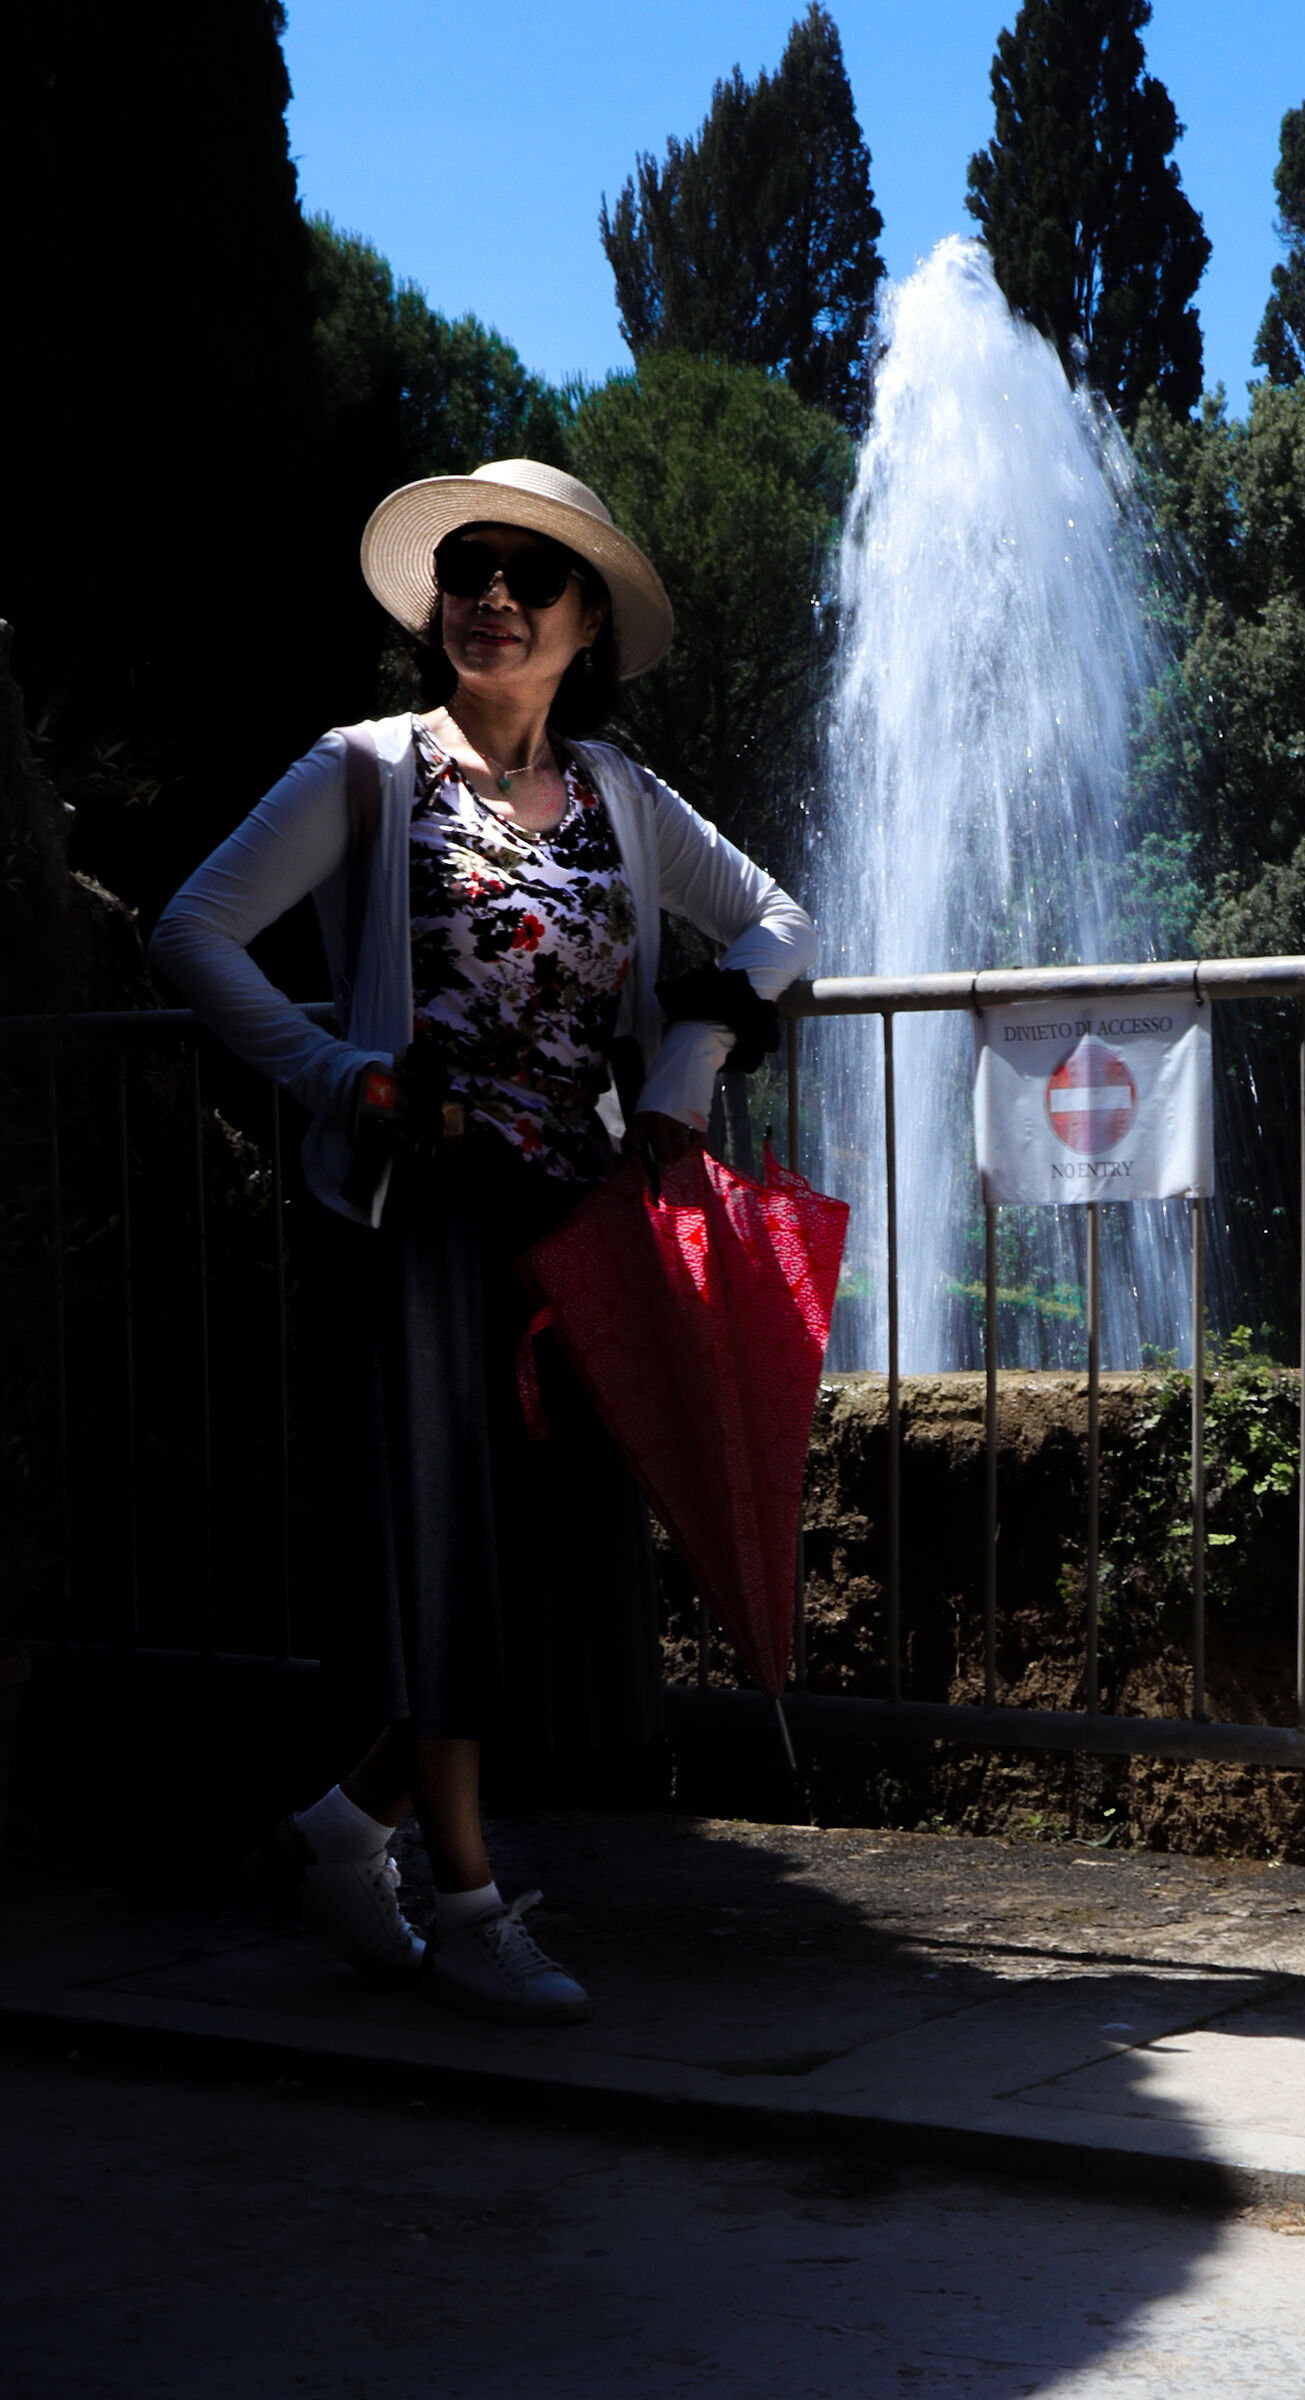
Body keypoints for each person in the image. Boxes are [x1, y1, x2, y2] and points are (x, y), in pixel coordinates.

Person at [150, 459, 816, 2023]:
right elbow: (190, 928)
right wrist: (333, 1074)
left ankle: (338, 1831)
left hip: (576, 1215)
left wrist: (685, 1064)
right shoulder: (367, 773)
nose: (493, 594)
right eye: (469, 567)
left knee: (544, 1569)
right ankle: (460, 1899)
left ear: (585, 620)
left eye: (529, 572)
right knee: (449, 1558)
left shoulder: (621, 798)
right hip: (427, 1207)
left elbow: (782, 923)